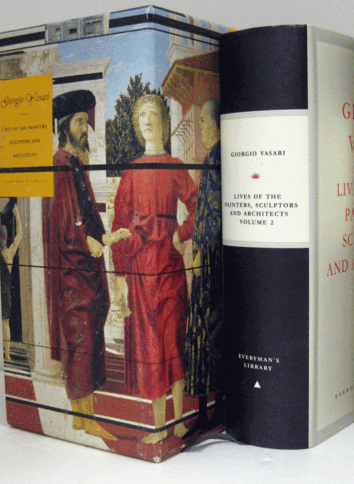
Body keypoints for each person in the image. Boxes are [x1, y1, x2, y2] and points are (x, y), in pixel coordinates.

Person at [42, 90, 130, 441]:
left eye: (84, 122)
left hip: (85, 271)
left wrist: (106, 237)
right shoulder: (58, 164)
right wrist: (87, 241)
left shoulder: (75, 164)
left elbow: (86, 216)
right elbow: (65, 223)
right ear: (65, 127)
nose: (84, 129)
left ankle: (80, 418)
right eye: (78, 122)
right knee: (80, 344)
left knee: (87, 339)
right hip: (71, 274)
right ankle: (87, 419)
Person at [111, 94, 197, 443]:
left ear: (163, 121)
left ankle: (178, 421)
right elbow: (119, 223)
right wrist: (120, 277)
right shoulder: (131, 171)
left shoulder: (175, 165)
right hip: (142, 272)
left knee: (172, 340)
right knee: (151, 349)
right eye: (142, 115)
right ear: (137, 124)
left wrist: (181, 233)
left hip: (170, 268)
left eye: (153, 114)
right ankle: (159, 427)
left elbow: (197, 204)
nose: (147, 120)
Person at [183, 99, 224, 437]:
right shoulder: (214, 157)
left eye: (203, 122)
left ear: (216, 124)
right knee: (206, 333)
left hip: (210, 264)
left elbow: (214, 214)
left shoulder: (216, 158)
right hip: (208, 261)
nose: (201, 129)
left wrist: (199, 255)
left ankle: (211, 412)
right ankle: (208, 411)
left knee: (208, 333)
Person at [0, 204, 23, 361]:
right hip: (4, 292)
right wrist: (17, 215)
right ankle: (7, 355)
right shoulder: (9, 253)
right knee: (5, 323)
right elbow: (19, 235)